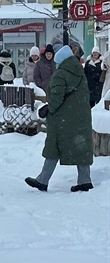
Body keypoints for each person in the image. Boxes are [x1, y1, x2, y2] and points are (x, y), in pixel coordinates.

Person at [25, 45, 94, 192]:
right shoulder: (79, 72)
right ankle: (84, 180)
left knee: (53, 146)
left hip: (63, 118)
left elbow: (56, 97)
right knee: (81, 146)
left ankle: (43, 180)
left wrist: (47, 109)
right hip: (80, 116)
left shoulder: (60, 74)